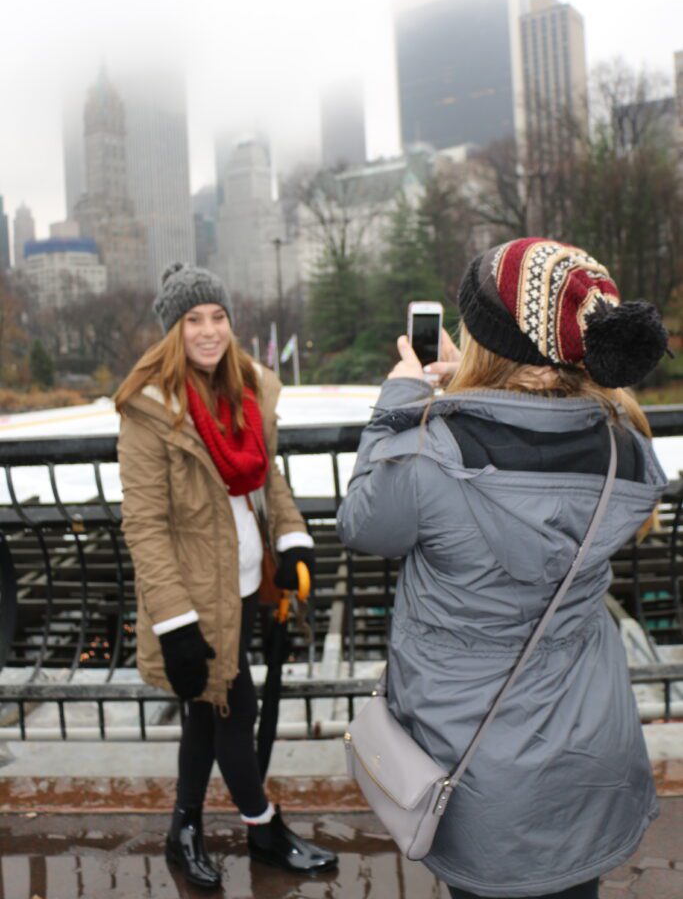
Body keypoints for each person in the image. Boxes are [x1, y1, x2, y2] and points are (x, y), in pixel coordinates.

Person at [337, 238, 669, 899]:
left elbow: (362, 522)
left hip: (476, 764)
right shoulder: (624, 451)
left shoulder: (428, 451)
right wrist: (488, 382)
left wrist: (401, 395)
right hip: (589, 752)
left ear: (484, 340)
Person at [115, 262, 337, 889]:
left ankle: (183, 828)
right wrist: (177, 626)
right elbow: (146, 527)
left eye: (218, 317)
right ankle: (264, 829)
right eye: (193, 320)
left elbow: (268, 477)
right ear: (172, 331)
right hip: (192, 596)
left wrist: (292, 539)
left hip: (243, 583)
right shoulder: (148, 410)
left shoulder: (246, 391)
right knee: (234, 714)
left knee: (206, 718)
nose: (209, 331)